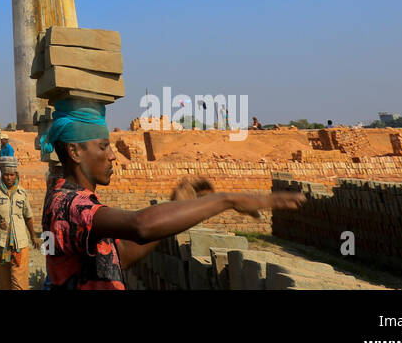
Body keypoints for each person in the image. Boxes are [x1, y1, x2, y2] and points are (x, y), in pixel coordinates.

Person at [40, 98, 305, 289]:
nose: (113, 156)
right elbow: (141, 225)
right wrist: (227, 199)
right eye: (103, 147)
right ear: (75, 152)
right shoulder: (69, 205)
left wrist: (176, 205)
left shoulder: (71, 197)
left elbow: (120, 257)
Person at [0, 156, 38, 290]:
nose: (9, 178)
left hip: (20, 244)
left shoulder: (22, 193)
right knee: (3, 282)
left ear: (16, 175)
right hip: (0, 243)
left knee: (19, 282)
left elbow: (28, 217)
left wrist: (33, 236)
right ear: (2, 175)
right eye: (6, 175)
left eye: (12, 175)